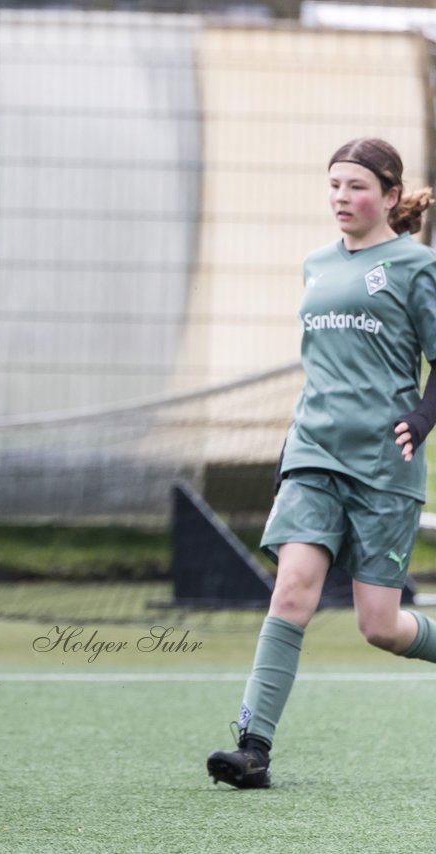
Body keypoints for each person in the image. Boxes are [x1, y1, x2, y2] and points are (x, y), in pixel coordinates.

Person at [207, 137, 436, 789]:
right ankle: (252, 748)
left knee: (380, 626)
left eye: (357, 186)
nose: (343, 197)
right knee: (292, 590)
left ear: (391, 197)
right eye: (334, 184)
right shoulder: (314, 264)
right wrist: (292, 452)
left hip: (384, 466)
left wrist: (420, 422)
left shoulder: (417, 268)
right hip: (312, 454)